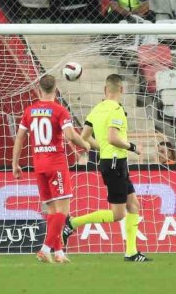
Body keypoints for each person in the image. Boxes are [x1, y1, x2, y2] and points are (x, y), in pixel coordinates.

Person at [64, 73, 151, 262]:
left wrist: (101, 146)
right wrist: (133, 147)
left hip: (111, 162)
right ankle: (72, 223)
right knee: (118, 214)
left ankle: (131, 252)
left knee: (134, 205)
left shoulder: (97, 108)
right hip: (114, 163)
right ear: (122, 89)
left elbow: (85, 137)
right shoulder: (117, 110)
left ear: (105, 90)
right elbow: (113, 138)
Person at [11, 74, 92, 263]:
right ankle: (45, 249)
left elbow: (20, 138)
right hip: (56, 165)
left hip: (38, 166)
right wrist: (86, 145)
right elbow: (71, 135)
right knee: (62, 212)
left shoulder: (29, 111)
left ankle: (59, 253)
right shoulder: (59, 110)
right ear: (56, 90)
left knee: (52, 212)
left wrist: (15, 164)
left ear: (39, 90)